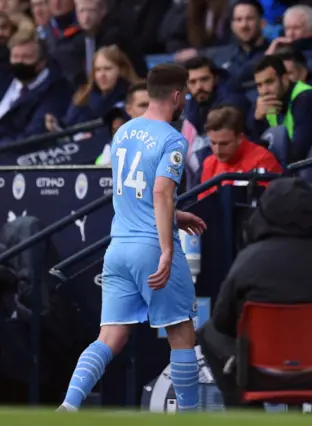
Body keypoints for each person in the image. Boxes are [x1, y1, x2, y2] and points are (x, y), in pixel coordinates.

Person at [58, 64, 207, 412]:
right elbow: (160, 192)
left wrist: (177, 215)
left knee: (110, 336)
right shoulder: (173, 138)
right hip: (151, 247)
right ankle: (190, 417)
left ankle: (69, 405)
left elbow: (129, 191)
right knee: (182, 333)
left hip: (118, 247)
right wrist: (168, 249)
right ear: (175, 95)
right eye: (183, 93)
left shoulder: (123, 132)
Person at [198, 177, 312, 408]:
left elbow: (223, 322)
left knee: (208, 332)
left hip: (258, 372)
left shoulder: (246, 260)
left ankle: (245, 411)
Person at [252, 54, 312, 164]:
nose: (264, 91)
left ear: (285, 79)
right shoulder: (269, 105)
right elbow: (258, 153)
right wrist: (258, 120)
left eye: (269, 82)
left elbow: (298, 155)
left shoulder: (307, 99)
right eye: (259, 85)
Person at [198, 105, 282, 199]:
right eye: (213, 143)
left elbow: (270, 203)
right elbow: (203, 203)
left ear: (239, 138)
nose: (217, 150)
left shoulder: (262, 159)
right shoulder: (209, 163)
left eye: (224, 144)